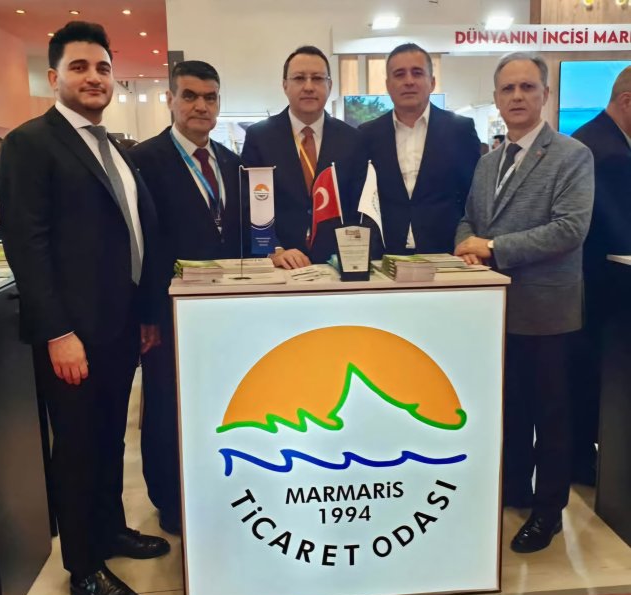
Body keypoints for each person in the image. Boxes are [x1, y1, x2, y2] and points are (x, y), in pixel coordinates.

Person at [0, 21, 169, 595]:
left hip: (119, 328)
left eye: (102, 68)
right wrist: (57, 332)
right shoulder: (30, 143)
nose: (93, 77)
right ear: (54, 77)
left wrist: (145, 315)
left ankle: (110, 528)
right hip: (72, 334)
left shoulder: (112, 146)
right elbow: (27, 245)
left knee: (107, 438)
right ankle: (84, 568)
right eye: (79, 67)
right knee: (75, 448)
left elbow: (130, 233)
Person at [455, 52, 594, 553]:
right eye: (508, 89)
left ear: (545, 95)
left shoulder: (572, 155)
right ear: (495, 98)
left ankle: (548, 511)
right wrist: (466, 245)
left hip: (547, 310)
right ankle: (513, 490)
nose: (517, 96)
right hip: (495, 310)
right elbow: (469, 219)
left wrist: (492, 247)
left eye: (527, 87)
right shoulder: (488, 161)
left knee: (550, 416)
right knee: (508, 408)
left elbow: (570, 229)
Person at [130, 60, 245, 535]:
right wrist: (147, 314)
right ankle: (169, 499)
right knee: (166, 407)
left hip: (225, 314)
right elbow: (139, 245)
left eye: (210, 97)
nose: (201, 106)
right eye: (191, 96)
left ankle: (214, 489)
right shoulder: (143, 160)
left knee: (217, 404)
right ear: (171, 100)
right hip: (168, 313)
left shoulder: (232, 163)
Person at [242, 45, 366, 268]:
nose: (309, 87)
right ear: (285, 85)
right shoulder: (260, 137)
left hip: (338, 265)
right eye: (299, 78)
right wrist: (274, 250)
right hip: (282, 265)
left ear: (329, 85)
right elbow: (250, 204)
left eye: (317, 78)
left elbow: (358, 207)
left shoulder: (352, 139)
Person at [359, 43, 480, 255]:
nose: (409, 81)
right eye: (399, 74)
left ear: (432, 82)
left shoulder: (460, 130)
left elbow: (472, 196)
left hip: (446, 253)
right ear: (388, 85)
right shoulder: (367, 134)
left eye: (417, 73)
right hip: (385, 254)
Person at [570, 66, 631, 486]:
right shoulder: (610, 153)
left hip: (587, 286)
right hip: (601, 288)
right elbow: (620, 233)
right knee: (590, 378)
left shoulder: (590, 138)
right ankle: (584, 461)